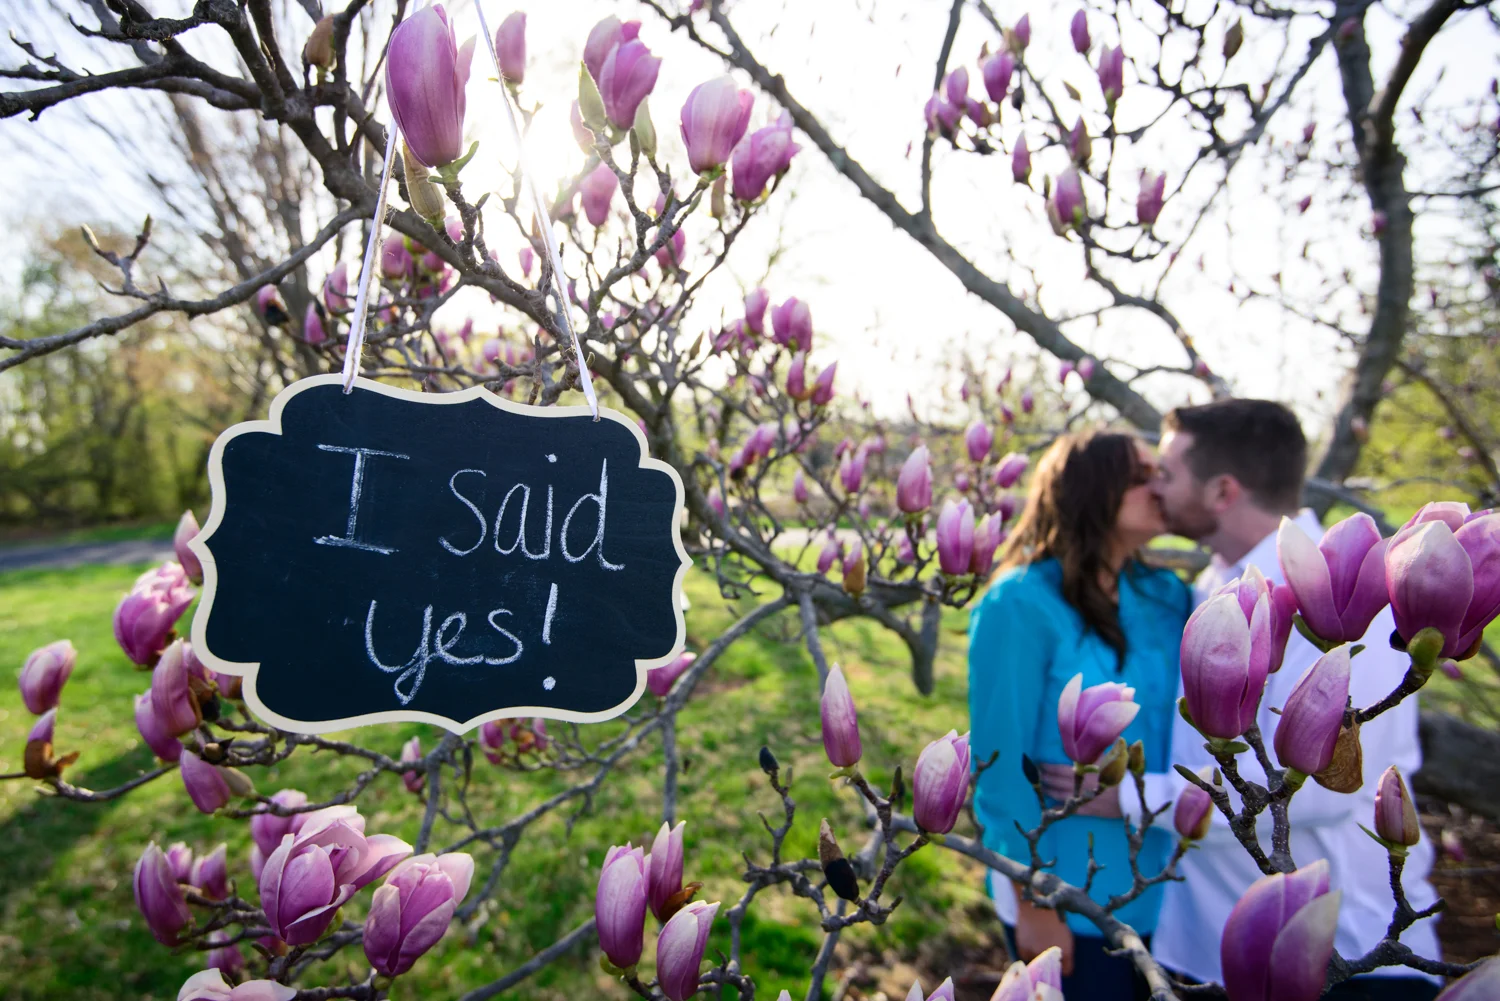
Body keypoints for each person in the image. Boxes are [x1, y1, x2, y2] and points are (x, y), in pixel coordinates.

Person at [1060, 399, 1441, 999]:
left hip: (1342, 961)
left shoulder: (1351, 599)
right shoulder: (1213, 585)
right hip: (1214, 945)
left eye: (1166, 471)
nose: (1153, 486)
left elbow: (1325, 789)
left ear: (1222, 491)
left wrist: (1134, 798)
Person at [968, 430, 1193, 999]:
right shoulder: (1018, 603)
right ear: (1096, 489)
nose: (1159, 487)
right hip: (1067, 889)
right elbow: (998, 763)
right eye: (1141, 476)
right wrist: (1035, 901)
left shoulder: (1170, 597)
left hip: (1165, 883)